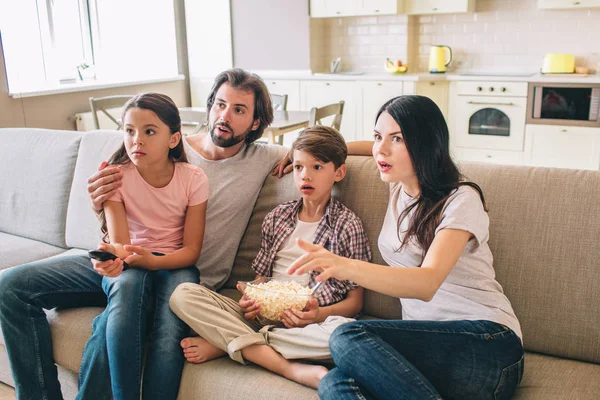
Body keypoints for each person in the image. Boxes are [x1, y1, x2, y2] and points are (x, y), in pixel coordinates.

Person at [0, 69, 288, 400]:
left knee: (115, 320)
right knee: (12, 287)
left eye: (239, 110)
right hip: (127, 264)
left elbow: (322, 150)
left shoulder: (263, 158)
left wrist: (296, 154)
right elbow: (119, 234)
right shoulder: (154, 148)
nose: (224, 116)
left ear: (255, 123)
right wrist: (101, 212)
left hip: (181, 275)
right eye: (220, 104)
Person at [287, 95, 525, 400]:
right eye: (377, 137)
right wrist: (308, 155)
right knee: (334, 383)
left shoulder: (461, 199)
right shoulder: (399, 187)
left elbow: (427, 282)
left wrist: (345, 265)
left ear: (426, 143)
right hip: (427, 352)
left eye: (396, 138)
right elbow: (361, 151)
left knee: (347, 336)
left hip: (488, 345)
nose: (380, 149)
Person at [169, 125, 371, 389]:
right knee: (182, 294)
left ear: (339, 172)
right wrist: (251, 298)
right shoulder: (277, 217)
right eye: (298, 167)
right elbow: (261, 280)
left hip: (310, 322)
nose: (305, 176)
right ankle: (284, 364)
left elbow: (355, 304)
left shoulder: (347, 225)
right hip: (265, 314)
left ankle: (229, 342)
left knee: (342, 336)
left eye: (317, 168)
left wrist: (319, 314)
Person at [88, 92, 208, 399]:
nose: (136, 140)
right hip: (132, 260)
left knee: (168, 331)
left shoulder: (193, 179)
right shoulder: (116, 177)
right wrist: (113, 257)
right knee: (125, 290)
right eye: (129, 131)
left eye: (149, 131)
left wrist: (153, 262)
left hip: (176, 263)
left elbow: (191, 251)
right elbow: (120, 245)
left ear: (173, 139)